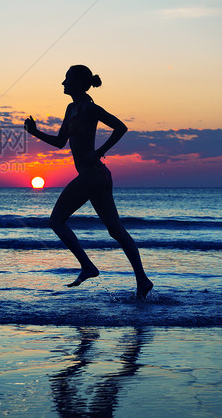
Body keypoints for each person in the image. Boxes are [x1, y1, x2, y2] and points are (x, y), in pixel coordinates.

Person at [24, 65, 153, 300]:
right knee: (116, 230)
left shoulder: (91, 109)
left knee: (56, 221)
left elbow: (120, 127)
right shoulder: (71, 108)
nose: (62, 84)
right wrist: (34, 132)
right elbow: (60, 142)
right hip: (98, 176)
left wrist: (99, 151)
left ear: (78, 83)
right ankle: (142, 280)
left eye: (67, 80)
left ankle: (88, 266)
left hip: (93, 175)